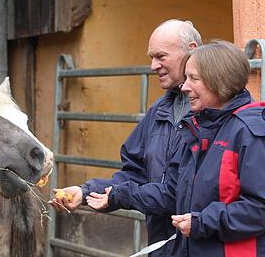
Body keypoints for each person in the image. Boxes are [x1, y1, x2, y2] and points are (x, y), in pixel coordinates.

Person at [86, 40, 265, 256]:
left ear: (220, 81)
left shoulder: (249, 132)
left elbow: (259, 208)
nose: (185, 86)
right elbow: (172, 191)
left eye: (194, 79)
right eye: (186, 77)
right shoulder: (196, 127)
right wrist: (118, 195)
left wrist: (201, 222)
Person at [49, 19, 202, 257]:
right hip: (163, 246)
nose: (153, 65)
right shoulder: (159, 112)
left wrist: (121, 195)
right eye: (151, 57)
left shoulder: (213, 116)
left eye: (161, 56)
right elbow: (134, 173)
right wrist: (86, 192)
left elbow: (180, 193)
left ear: (192, 51)